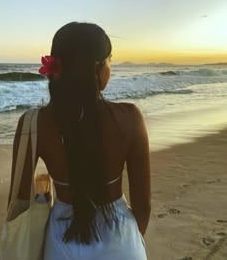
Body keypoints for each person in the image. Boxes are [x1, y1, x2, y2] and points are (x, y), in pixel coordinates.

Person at [8, 22, 151, 259]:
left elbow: (18, 202)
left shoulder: (33, 124)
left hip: (61, 244)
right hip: (122, 243)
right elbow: (143, 206)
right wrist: (129, 243)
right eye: (109, 60)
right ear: (96, 68)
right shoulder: (130, 119)